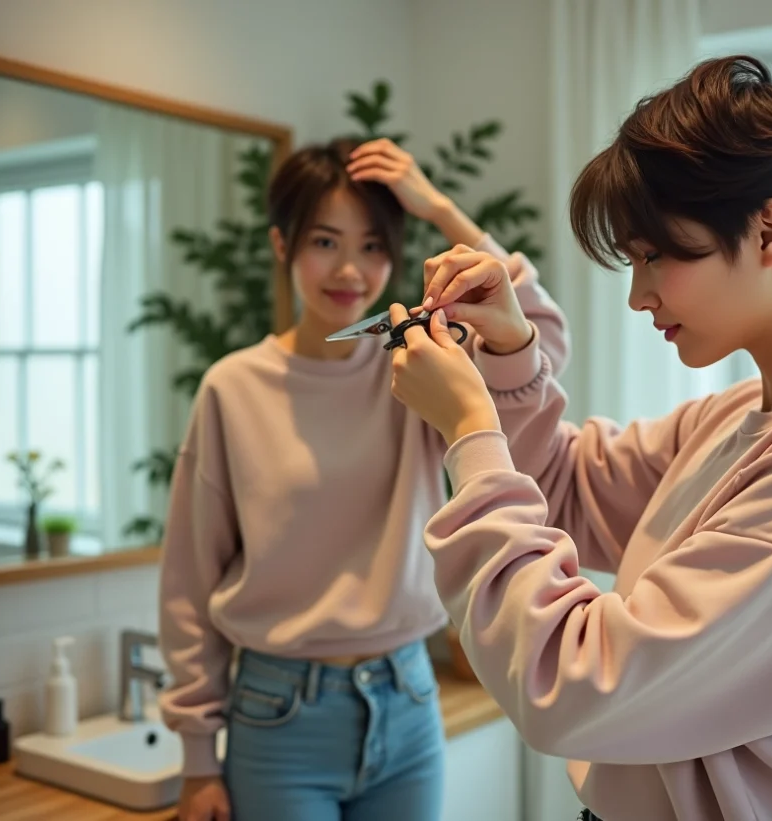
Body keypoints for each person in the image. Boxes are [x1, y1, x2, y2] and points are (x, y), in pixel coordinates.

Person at [387, 56, 772, 821]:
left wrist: (471, 428)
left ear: (770, 232)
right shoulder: (742, 417)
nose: (639, 294)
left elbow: (572, 684)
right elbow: (565, 490)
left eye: (657, 256)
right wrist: (508, 351)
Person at [157, 136, 570, 821]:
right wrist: (198, 758)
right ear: (282, 245)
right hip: (278, 716)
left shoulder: (414, 362)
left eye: (374, 245)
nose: (350, 268)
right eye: (324, 241)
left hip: (409, 701)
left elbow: (541, 346)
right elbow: (189, 580)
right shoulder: (232, 388)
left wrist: (438, 207)